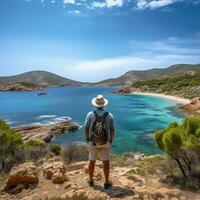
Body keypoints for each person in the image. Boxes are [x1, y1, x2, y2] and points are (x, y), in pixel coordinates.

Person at [84, 94, 115, 189]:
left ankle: (90, 180)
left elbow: (86, 128)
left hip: (93, 142)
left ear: (95, 104)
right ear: (103, 104)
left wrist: (87, 139)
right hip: (105, 143)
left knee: (92, 161)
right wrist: (110, 141)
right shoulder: (109, 115)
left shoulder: (90, 114)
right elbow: (112, 130)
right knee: (106, 162)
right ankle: (106, 182)